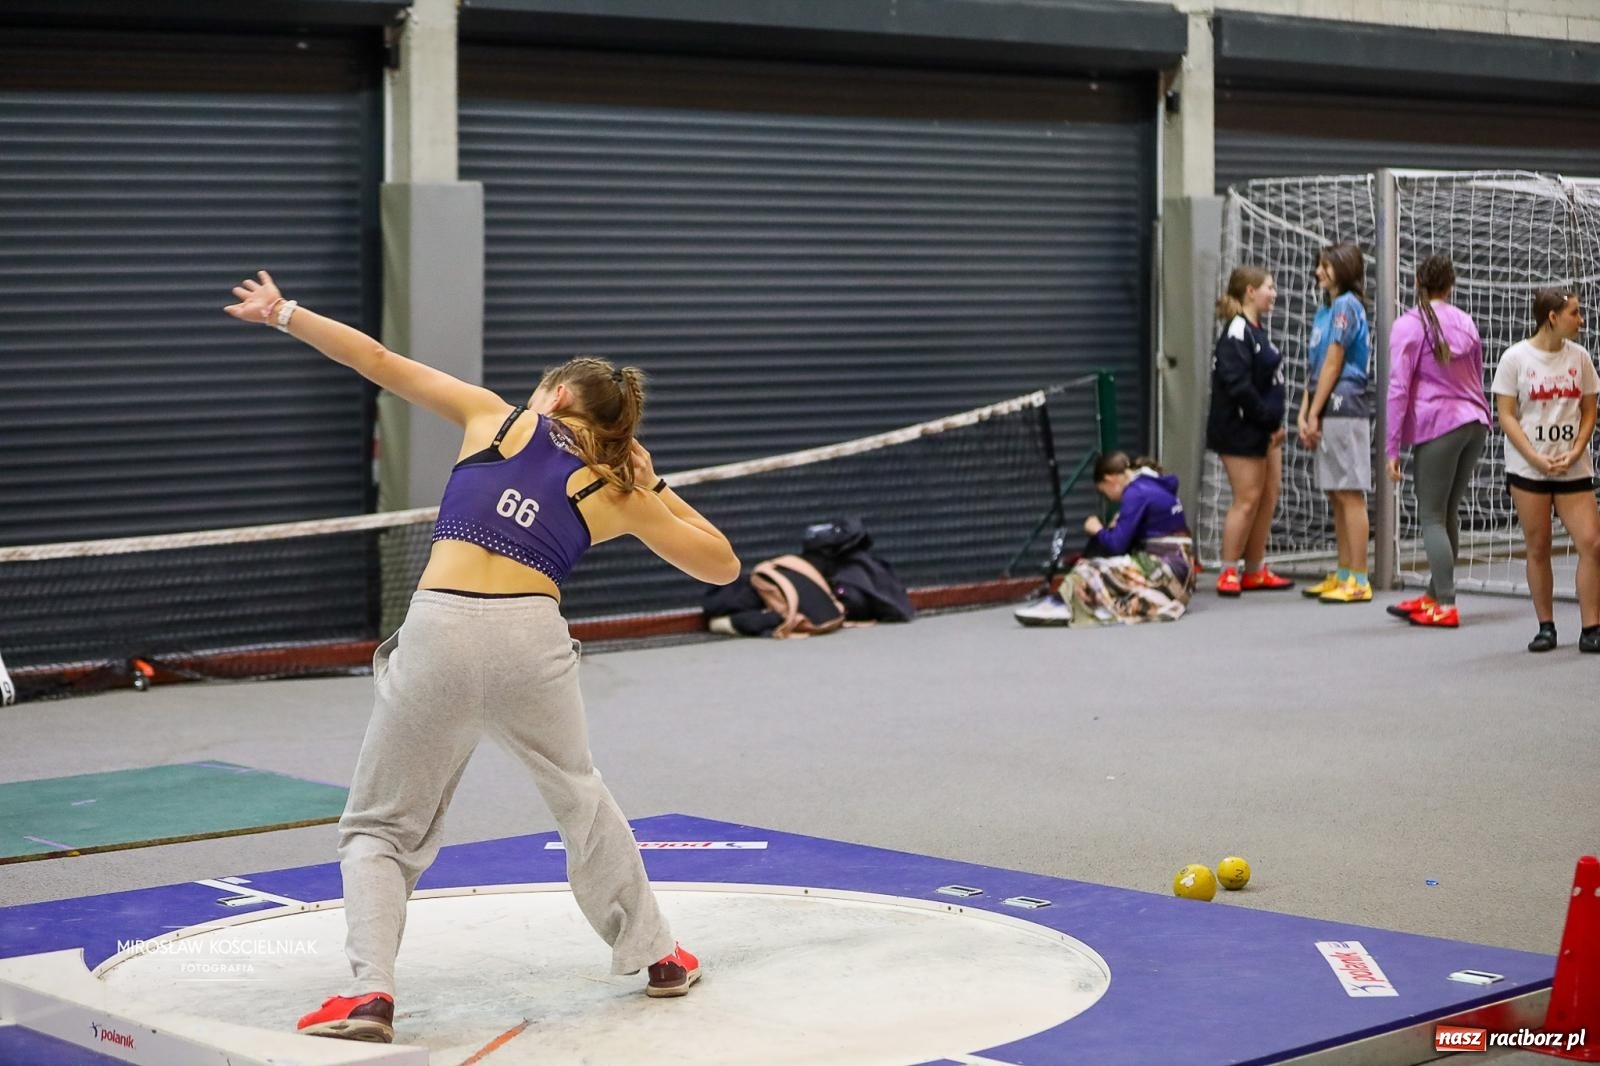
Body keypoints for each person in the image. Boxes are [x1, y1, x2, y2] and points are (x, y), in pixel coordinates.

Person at [224, 271, 740, 1043]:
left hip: (440, 629)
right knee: (579, 796)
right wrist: (654, 484)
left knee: (378, 828)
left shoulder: (495, 421)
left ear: (558, 398)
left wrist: (285, 313)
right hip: (533, 639)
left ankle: (370, 995)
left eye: (542, 388)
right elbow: (722, 566)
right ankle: (659, 957)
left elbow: (376, 360)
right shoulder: (617, 490)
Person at [1382, 254, 1492, 628]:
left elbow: (1398, 389)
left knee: (1430, 515)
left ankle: (1445, 602)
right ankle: (1432, 594)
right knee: (1448, 513)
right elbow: (1477, 374)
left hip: (1439, 424)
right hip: (1475, 422)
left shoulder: (1409, 325)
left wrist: (1391, 448)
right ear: (1451, 284)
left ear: (1417, 283)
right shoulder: (1466, 321)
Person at [1490, 288, 1600, 653]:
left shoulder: (1580, 358)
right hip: (1530, 469)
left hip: (1572, 467)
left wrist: (1577, 449)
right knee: (1538, 547)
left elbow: (1588, 410)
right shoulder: (1515, 359)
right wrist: (1535, 458)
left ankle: (1591, 626)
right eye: (1574, 313)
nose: (1581, 320)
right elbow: (1506, 414)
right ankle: (1546, 626)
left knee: (1592, 543)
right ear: (1552, 317)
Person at [1014, 453, 1196, 626]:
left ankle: (1069, 601)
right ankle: (1085, 598)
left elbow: (1117, 544)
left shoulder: (1135, 493)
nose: (1108, 498)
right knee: (1108, 554)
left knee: (1091, 567)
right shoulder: (1151, 483)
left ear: (1110, 481)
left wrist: (1098, 529)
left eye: (1103, 492)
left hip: (1164, 569)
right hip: (1181, 570)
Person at [1205, 264, 1293, 597]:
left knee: (1268, 496)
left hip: (1266, 429)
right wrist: (1267, 421)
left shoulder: (1256, 330)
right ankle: (1229, 570)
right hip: (1240, 430)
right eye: (1269, 287)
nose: (1275, 293)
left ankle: (1254, 569)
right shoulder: (1236, 332)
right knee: (1247, 498)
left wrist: (1275, 423)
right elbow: (1238, 386)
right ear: (1250, 292)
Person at [1299, 241, 1374, 603]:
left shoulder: (1347, 306)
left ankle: (1359, 577)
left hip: (1345, 402)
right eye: (1318, 266)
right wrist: (1305, 411)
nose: (1318, 272)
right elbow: (1314, 368)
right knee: (1335, 491)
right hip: (1324, 401)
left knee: (1350, 491)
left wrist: (1315, 411)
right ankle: (1344, 571)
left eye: (1326, 266)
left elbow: (1334, 362)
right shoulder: (1324, 310)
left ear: (1343, 269)